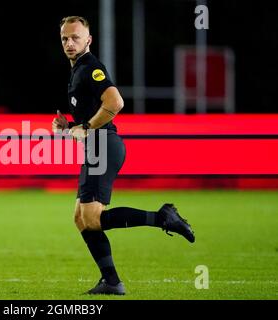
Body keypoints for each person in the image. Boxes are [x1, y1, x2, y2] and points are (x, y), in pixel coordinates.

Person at [52, 16, 195, 295]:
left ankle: (163, 217)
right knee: (82, 218)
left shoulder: (90, 67)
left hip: (104, 145)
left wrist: (87, 127)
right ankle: (111, 281)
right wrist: (70, 127)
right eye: (65, 38)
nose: (70, 42)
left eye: (75, 37)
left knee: (92, 217)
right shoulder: (78, 69)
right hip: (97, 145)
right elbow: (90, 115)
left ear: (88, 40)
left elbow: (115, 102)